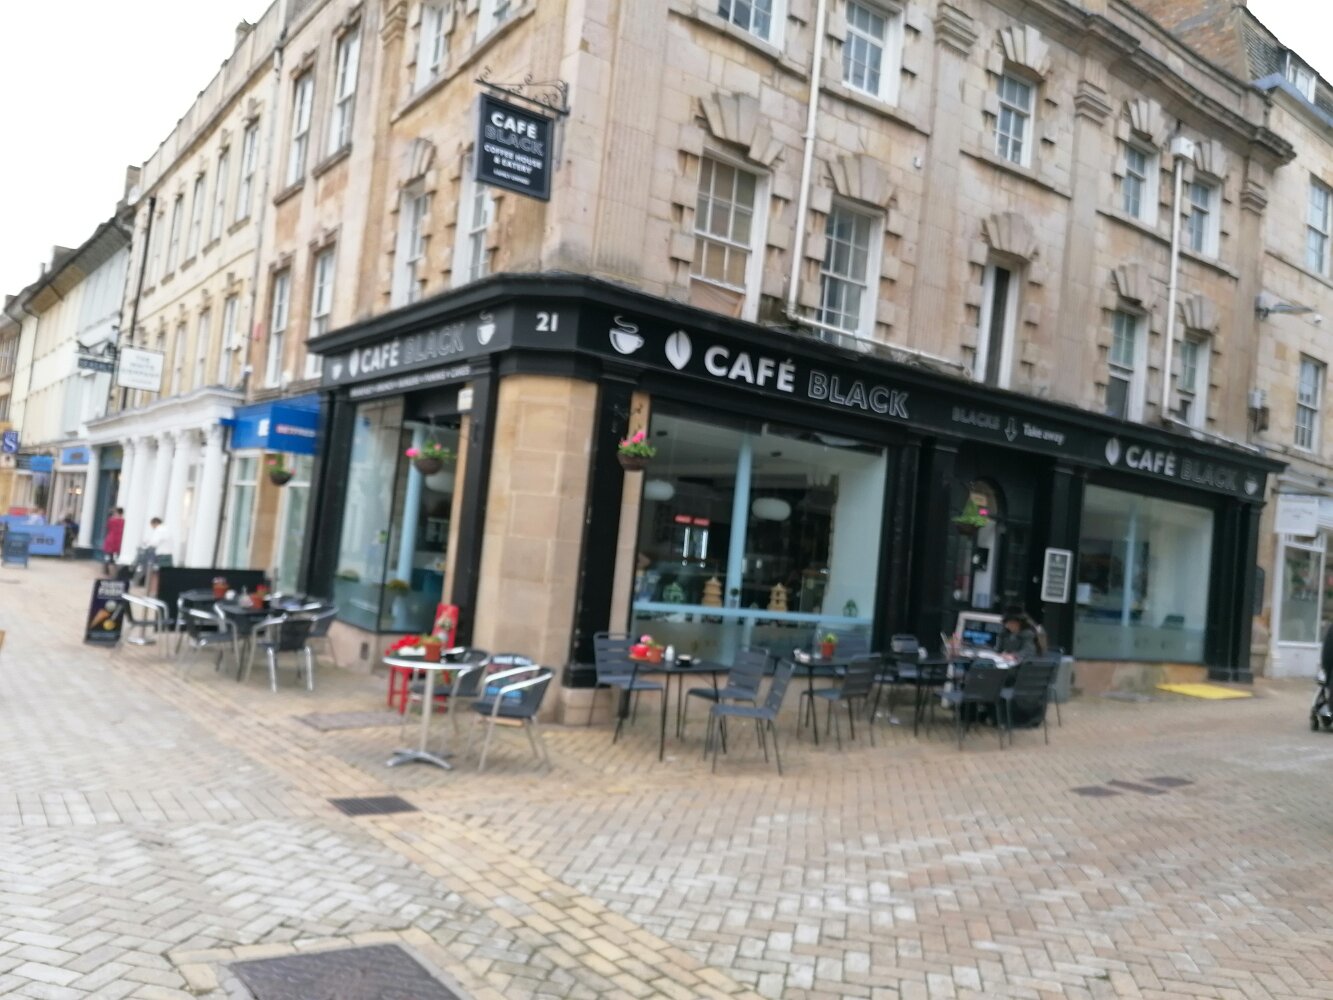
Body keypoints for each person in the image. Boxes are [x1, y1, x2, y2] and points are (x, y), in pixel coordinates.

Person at [102, 507, 125, 575]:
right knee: (116, 556)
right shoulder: (123, 521)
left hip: (111, 538)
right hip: (119, 539)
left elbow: (108, 526)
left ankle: (106, 569)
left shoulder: (112, 520)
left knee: (108, 555)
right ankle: (116, 571)